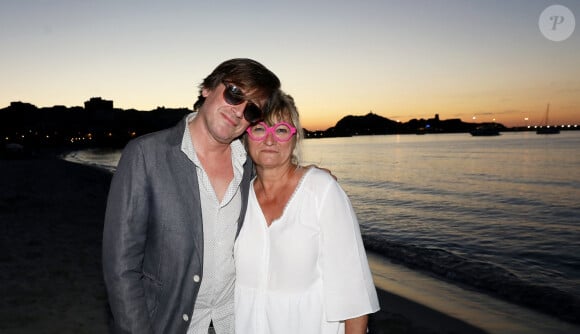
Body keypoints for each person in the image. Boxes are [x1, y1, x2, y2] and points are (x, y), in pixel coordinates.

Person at [102, 58, 281, 334]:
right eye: (234, 94)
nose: (238, 111)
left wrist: (311, 177)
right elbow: (121, 268)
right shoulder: (146, 155)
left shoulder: (249, 166)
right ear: (207, 88)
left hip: (235, 323)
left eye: (252, 110)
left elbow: (284, 181)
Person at [235, 91, 380, 334]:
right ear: (245, 137)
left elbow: (354, 296)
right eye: (259, 129)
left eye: (281, 130)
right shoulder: (237, 197)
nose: (270, 140)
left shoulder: (321, 191)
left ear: (294, 139)